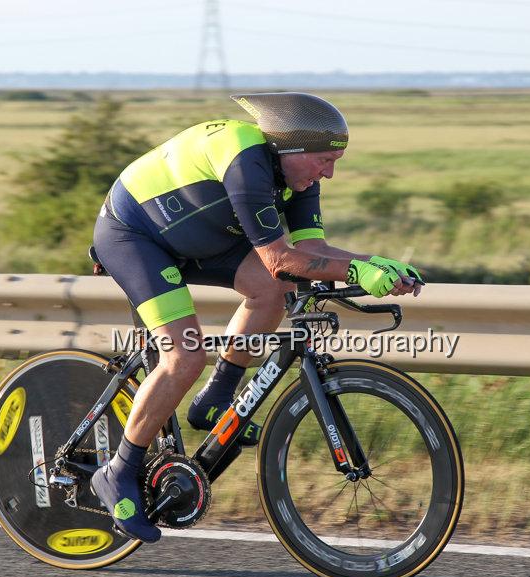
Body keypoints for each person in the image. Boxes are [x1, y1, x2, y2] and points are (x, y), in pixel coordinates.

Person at [90, 92, 422, 543]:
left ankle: (215, 400)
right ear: (291, 149)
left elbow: (311, 253)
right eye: (325, 160)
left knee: (273, 291)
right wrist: (357, 268)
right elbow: (281, 257)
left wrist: (377, 262)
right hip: (136, 235)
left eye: (336, 161)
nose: (329, 172)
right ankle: (118, 470)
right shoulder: (246, 159)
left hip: (196, 235)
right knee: (183, 357)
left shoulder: (297, 177)